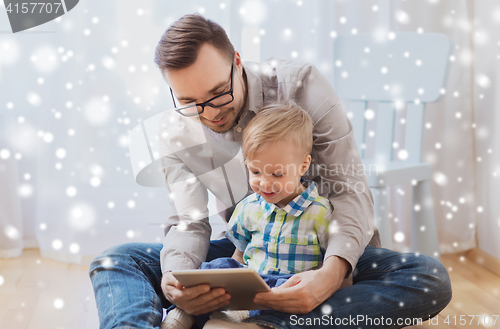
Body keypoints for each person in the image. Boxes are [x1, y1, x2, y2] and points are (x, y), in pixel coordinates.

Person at [89, 13, 452, 329]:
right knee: (117, 261)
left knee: (428, 278)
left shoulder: (302, 87)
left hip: (321, 251)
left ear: (237, 62)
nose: (210, 112)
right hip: (250, 254)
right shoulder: (173, 131)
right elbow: (189, 222)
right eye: (189, 102)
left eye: (218, 93)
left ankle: (244, 319)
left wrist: (330, 274)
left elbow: (348, 190)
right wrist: (174, 279)